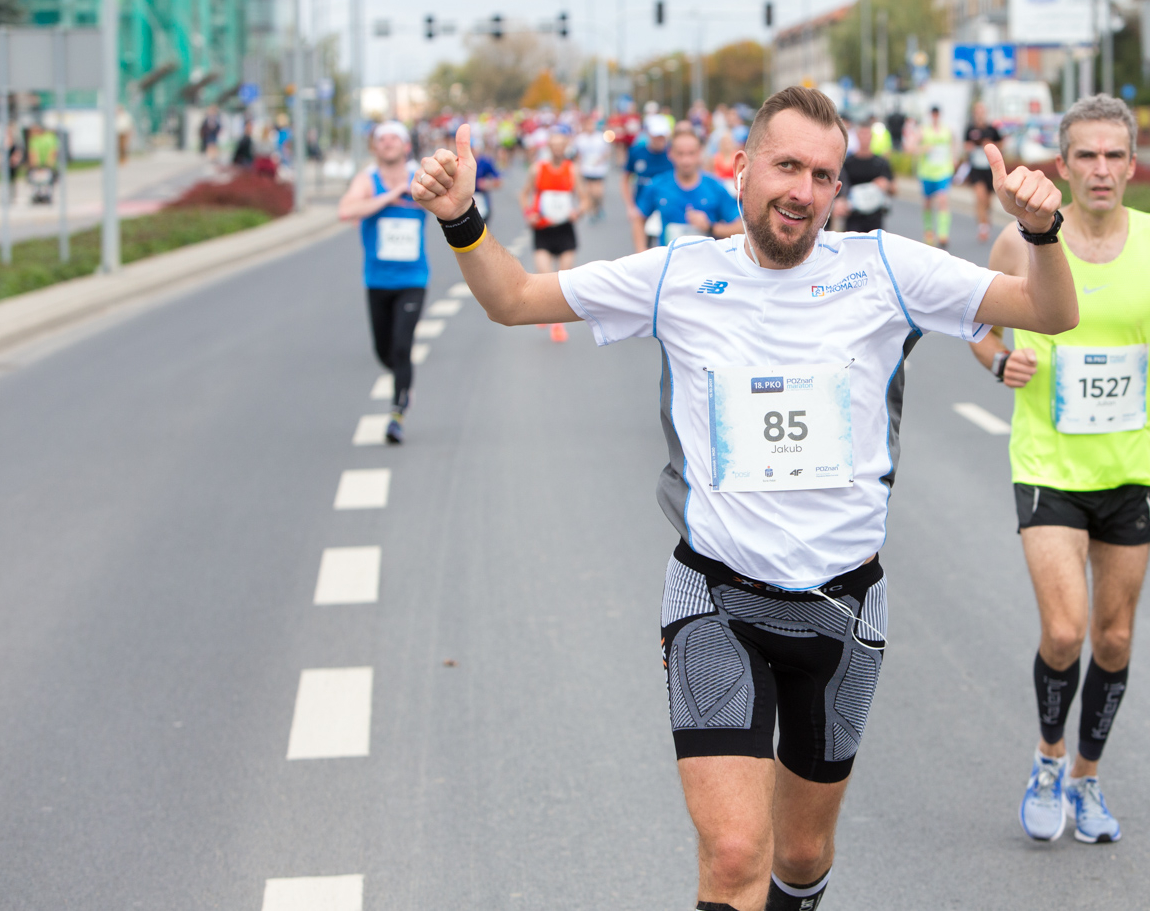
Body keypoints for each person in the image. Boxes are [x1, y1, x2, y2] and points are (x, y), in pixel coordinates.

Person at [409, 85, 1077, 911]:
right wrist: (463, 216)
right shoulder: (679, 275)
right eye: (786, 164)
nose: (802, 188)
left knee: (799, 855)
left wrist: (1042, 233)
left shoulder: (886, 269)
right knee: (733, 852)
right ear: (743, 168)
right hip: (716, 597)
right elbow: (512, 300)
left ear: (838, 190)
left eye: (822, 175)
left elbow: (1050, 309)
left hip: (843, 609)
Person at [968, 94, 1150, 845]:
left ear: (1133, 165)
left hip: (1132, 467)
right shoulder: (1025, 243)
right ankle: (1047, 759)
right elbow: (979, 326)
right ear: (1064, 165)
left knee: (1113, 638)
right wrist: (998, 361)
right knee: (1066, 629)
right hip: (1048, 460)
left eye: (1115, 155)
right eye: (1087, 155)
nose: (1101, 169)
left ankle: (1086, 774)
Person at [336, 120, 428, 444]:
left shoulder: (419, 179)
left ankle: (397, 414)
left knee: (403, 346)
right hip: (377, 280)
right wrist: (388, 197)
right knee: (383, 351)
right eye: (381, 139)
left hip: (413, 278)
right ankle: (403, 382)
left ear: (406, 146)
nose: (387, 143)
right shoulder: (368, 180)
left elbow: (450, 206)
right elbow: (346, 210)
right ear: (375, 147)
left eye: (394, 138)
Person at [520, 131, 582, 342]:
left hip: (565, 229)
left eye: (560, 145)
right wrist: (529, 213)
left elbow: (584, 199)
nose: (557, 148)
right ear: (548, 146)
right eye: (553, 145)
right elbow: (523, 193)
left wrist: (578, 211)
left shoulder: (572, 169)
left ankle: (557, 323)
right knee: (545, 276)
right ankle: (548, 315)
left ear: (565, 147)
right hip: (543, 229)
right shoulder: (538, 169)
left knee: (564, 279)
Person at [635, 128, 741, 247]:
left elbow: (741, 227)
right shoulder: (658, 184)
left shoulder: (715, 186)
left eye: (691, 153)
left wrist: (710, 227)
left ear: (699, 153)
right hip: (670, 263)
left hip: (706, 263)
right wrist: (641, 251)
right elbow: (638, 217)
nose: (686, 160)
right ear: (670, 153)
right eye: (680, 154)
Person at [625, 115, 677, 251]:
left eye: (662, 135)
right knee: (642, 250)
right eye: (656, 135)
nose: (660, 139)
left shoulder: (673, 154)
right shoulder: (637, 152)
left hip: (667, 207)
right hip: (643, 208)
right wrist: (630, 206)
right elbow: (625, 178)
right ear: (648, 134)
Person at [836, 118, 895, 234]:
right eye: (862, 134)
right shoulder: (847, 163)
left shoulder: (881, 163)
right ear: (857, 135)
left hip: (875, 217)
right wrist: (839, 203)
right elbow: (839, 188)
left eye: (867, 134)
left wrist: (886, 185)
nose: (864, 137)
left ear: (872, 136)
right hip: (853, 217)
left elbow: (894, 188)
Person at [915, 106, 955, 248]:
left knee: (943, 199)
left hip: (943, 171)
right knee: (927, 202)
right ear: (930, 115)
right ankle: (928, 231)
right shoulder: (923, 130)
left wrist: (953, 160)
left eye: (937, 114)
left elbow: (952, 145)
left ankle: (943, 234)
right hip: (927, 172)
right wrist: (923, 148)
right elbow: (911, 147)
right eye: (933, 114)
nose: (935, 117)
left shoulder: (947, 130)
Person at [964, 102, 1003, 243]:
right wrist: (972, 146)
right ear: (975, 113)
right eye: (977, 111)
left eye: (982, 111)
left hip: (989, 169)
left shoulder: (991, 129)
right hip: (976, 168)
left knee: (987, 200)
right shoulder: (970, 129)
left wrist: (989, 144)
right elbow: (965, 145)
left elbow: (1001, 143)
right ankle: (982, 227)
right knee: (979, 197)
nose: (980, 113)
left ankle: (986, 218)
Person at [574, 114, 611, 220]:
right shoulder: (580, 139)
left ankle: (599, 207)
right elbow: (577, 155)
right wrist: (578, 167)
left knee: (598, 192)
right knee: (588, 191)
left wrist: (600, 160)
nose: (590, 127)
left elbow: (607, 152)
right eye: (588, 125)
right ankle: (592, 212)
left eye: (592, 125)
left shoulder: (601, 137)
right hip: (586, 168)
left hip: (599, 169)